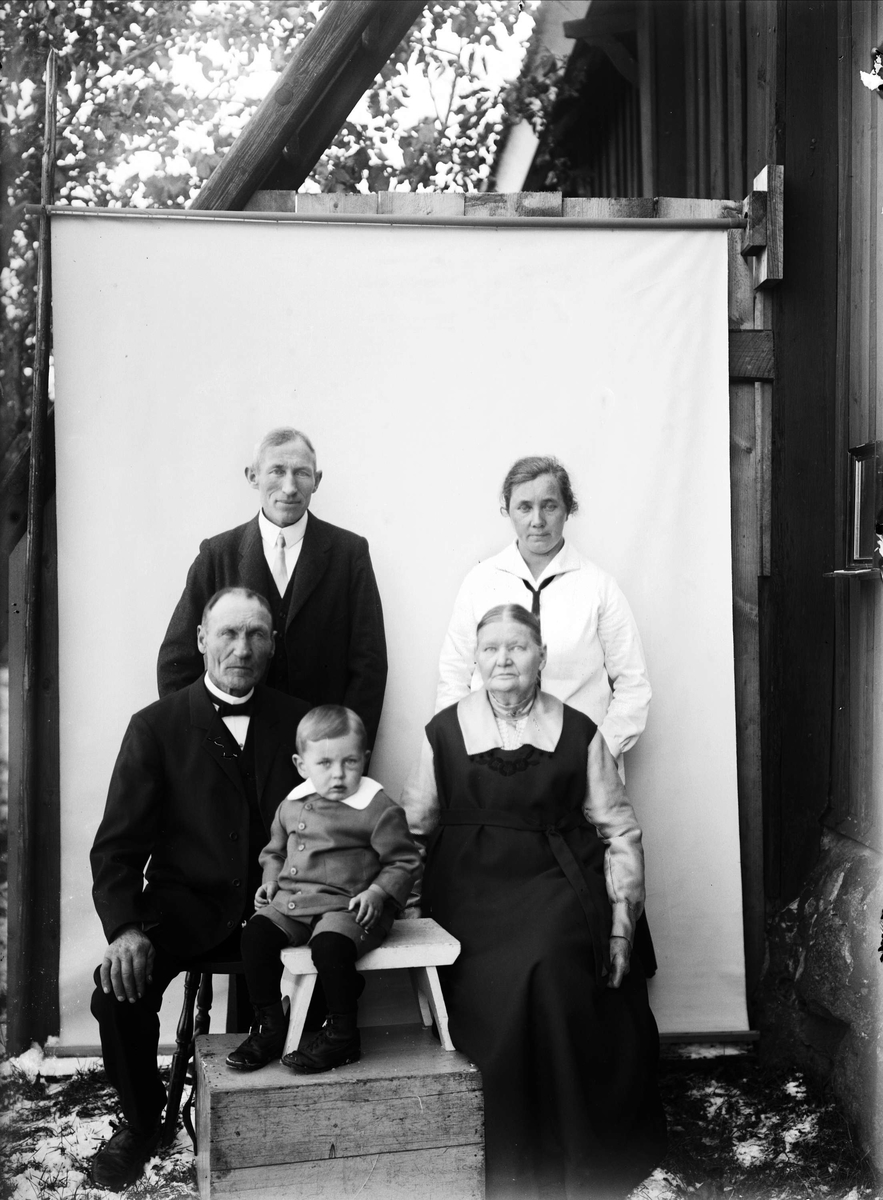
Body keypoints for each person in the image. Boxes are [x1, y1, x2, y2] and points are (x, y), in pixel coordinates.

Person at [403, 603, 666, 1200]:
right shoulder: (442, 732)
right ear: (475, 659)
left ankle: (571, 1158)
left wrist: (622, 925)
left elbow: (619, 830)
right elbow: (412, 834)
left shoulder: (579, 731)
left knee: (547, 966)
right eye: (490, 648)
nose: (504, 659)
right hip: (468, 892)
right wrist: (414, 926)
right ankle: (507, 1160)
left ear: (541, 656)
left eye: (517, 647)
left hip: (556, 881)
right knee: (493, 985)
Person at [89, 587, 310, 1192]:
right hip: (184, 910)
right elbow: (116, 849)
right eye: (228, 633)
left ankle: (296, 1124)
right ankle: (142, 1123)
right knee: (116, 993)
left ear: (273, 644)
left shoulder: (303, 722)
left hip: (281, 911)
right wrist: (125, 929)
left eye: (257, 634)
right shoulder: (155, 726)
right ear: (201, 639)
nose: (242, 648)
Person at [157, 426, 387, 746]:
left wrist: (343, 755)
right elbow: (176, 662)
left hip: (319, 755)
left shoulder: (349, 554)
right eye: (277, 471)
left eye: (301, 473)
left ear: (317, 480)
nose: (289, 488)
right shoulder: (217, 554)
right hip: (234, 754)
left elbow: (369, 668)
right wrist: (205, 747)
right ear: (253, 476)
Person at [226, 704, 421, 1074]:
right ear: (302, 765)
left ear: (364, 758)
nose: (338, 774)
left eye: (350, 762)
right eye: (325, 764)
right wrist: (270, 881)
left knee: (330, 947)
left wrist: (378, 892)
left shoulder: (377, 807)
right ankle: (269, 1025)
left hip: (350, 906)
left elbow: (404, 861)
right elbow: (275, 851)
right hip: (295, 900)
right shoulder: (292, 803)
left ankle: (343, 1034)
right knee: (256, 936)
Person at [436, 455, 650, 768]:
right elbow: (453, 676)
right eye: (524, 507)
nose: (537, 520)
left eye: (549, 506)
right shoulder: (480, 582)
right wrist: (462, 748)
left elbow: (633, 685)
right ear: (508, 510)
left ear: (568, 509)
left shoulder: (599, 587)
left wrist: (597, 753)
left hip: (579, 768)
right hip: (492, 765)